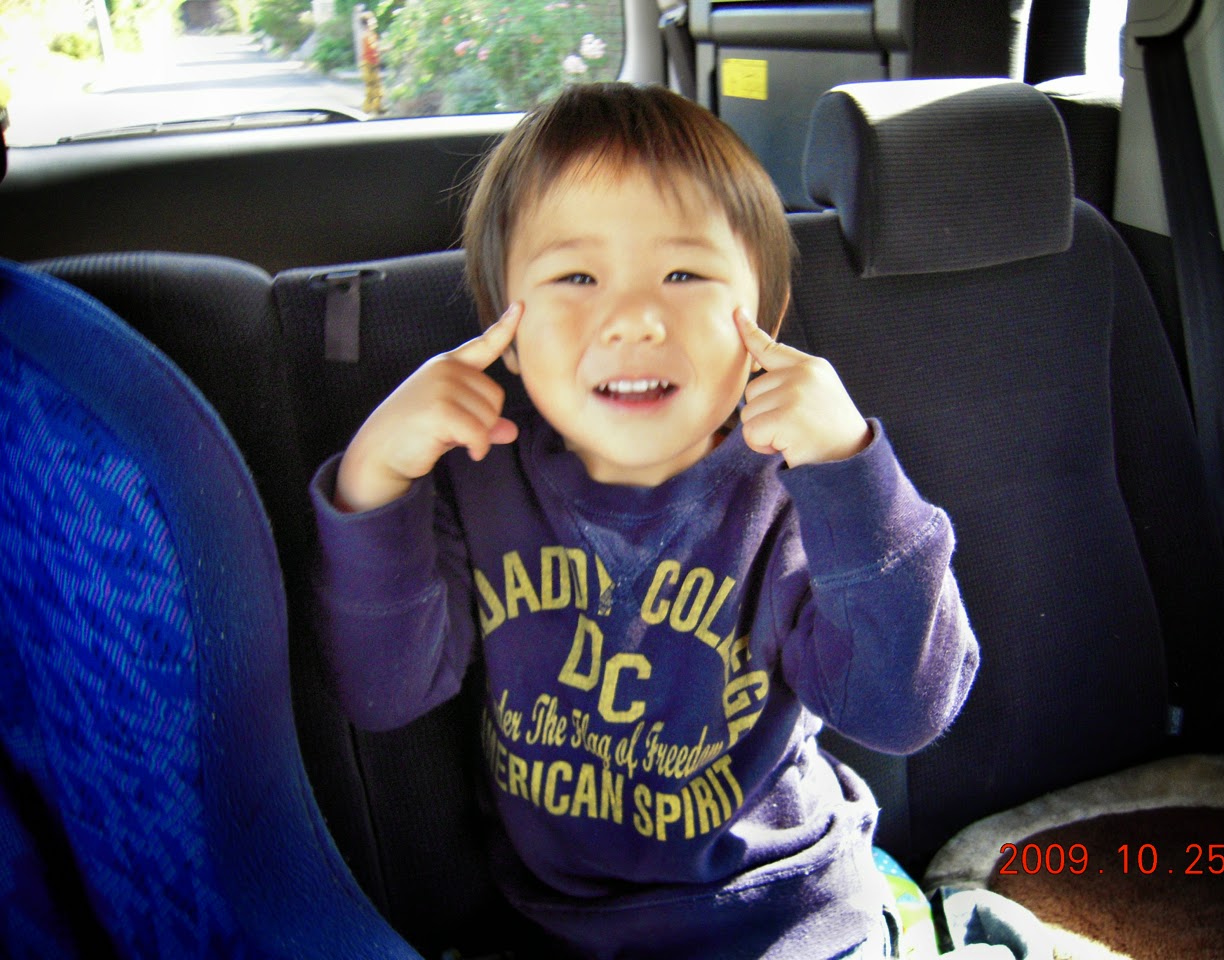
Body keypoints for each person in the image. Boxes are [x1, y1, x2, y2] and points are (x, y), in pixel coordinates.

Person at [311, 82, 979, 959]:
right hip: (555, 924)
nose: (633, 319)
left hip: (784, 910)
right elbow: (382, 692)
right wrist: (375, 475)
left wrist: (851, 470)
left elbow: (902, 710)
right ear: (504, 324)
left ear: (765, 316)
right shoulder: (475, 479)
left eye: (684, 274)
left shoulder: (799, 492)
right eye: (576, 277)